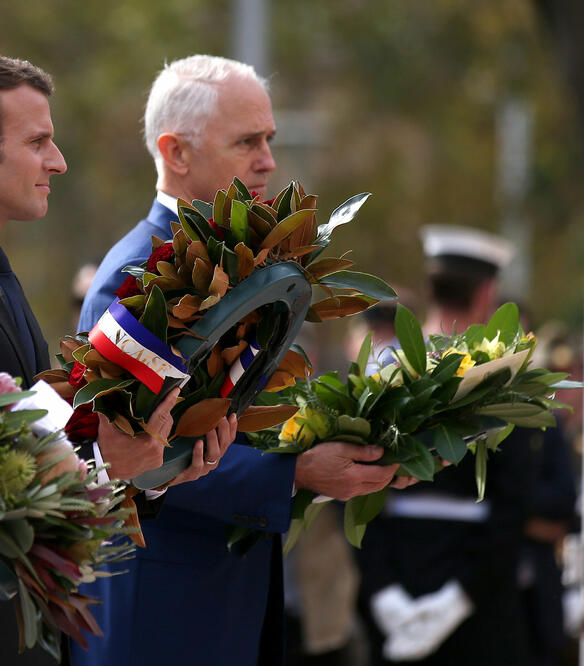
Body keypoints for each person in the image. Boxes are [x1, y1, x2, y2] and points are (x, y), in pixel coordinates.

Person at [0, 52, 237, 666]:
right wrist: (103, 456)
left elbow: (28, 443)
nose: (57, 161)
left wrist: (149, 467)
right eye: (38, 142)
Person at [73, 55, 406, 666]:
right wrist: (298, 474)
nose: (268, 160)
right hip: (160, 611)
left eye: (269, 139)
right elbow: (127, 460)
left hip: (222, 598)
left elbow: (238, 424)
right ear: (176, 153)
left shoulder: (242, 261)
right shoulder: (134, 275)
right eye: (247, 141)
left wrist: (362, 447)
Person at [355, 224, 542, 664]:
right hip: (482, 613)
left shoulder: (382, 377)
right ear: (487, 295)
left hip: (399, 598)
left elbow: (355, 488)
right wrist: (458, 601)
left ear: (429, 287)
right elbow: (513, 509)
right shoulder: (509, 382)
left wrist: (384, 594)